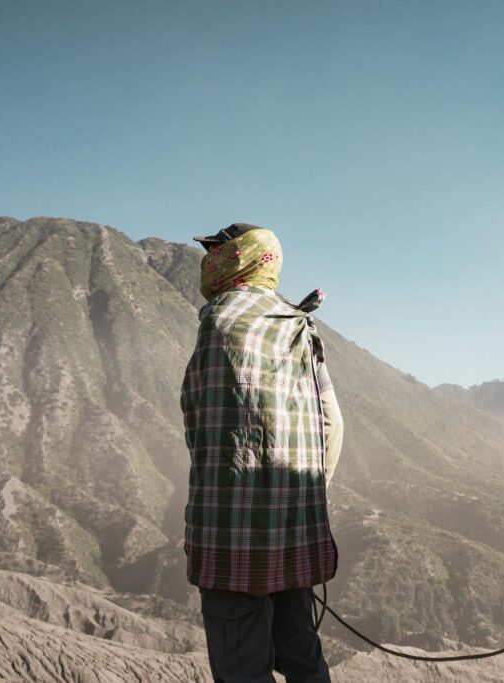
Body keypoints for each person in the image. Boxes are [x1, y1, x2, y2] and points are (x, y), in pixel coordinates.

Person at [180, 223, 343, 683]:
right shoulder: (298, 326)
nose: (207, 260)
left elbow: (199, 426)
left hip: (231, 541)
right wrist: (303, 497)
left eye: (215, 251)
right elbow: (331, 424)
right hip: (296, 535)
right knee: (303, 659)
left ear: (237, 258)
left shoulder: (219, 322)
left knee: (241, 671)